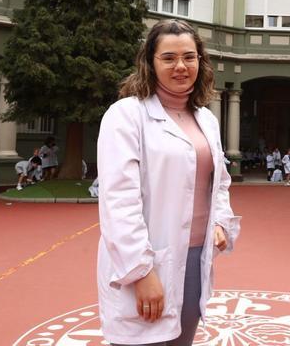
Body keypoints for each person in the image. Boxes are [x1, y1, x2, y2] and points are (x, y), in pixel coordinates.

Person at [96, 19, 241, 346]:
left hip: (194, 259)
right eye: (169, 58)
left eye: (189, 57)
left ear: (200, 61)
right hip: (146, 261)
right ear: (150, 62)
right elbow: (118, 202)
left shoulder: (206, 118)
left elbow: (218, 183)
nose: (181, 66)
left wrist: (220, 221)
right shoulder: (126, 116)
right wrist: (141, 273)